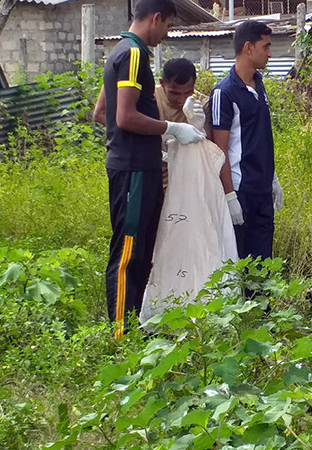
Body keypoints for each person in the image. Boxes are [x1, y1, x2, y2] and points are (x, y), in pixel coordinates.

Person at [93, 0, 206, 339]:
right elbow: (124, 116)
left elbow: (101, 113)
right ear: (156, 18)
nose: (166, 33)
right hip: (134, 171)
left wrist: (149, 142)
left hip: (139, 165)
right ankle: (120, 334)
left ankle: (134, 325)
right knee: (128, 252)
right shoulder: (133, 55)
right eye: (168, 25)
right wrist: (170, 129)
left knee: (141, 251)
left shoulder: (121, 51)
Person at [210, 21, 283, 261]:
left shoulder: (259, 85)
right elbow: (219, 149)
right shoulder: (224, 92)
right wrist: (229, 195)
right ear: (248, 48)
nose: (270, 54)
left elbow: (260, 137)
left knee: (263, 264)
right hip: (241, 189)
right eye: (266, 47)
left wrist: (273, 178)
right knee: (238, 263)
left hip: (262, 189)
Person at [155, 58, 211, 192]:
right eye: (174, 93)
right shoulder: (151, 98)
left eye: (188, 93)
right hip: (154, 180)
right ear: (162, 84)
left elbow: (210, 152)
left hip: (188, 184)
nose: (182, 99)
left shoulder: (202, 104)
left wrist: (199, 129)